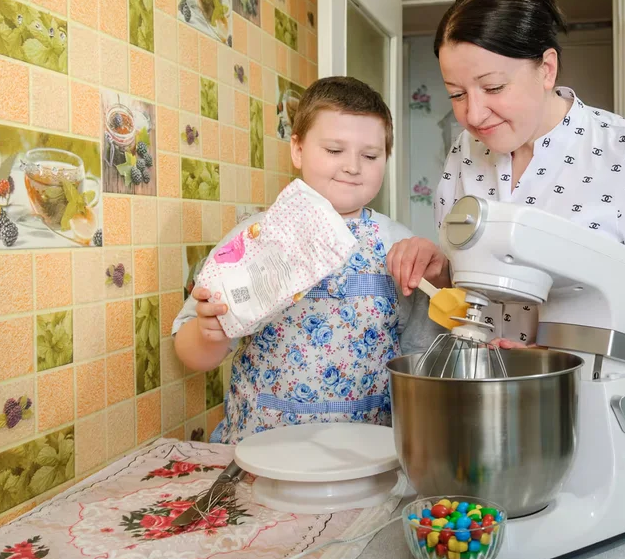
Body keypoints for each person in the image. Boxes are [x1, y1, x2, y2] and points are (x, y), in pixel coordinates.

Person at [386, 0, 625, 453]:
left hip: (602, 409)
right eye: (455, 93)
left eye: (492, 87)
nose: (473, 112)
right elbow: (470, 286)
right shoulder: (464, 154)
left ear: (546, 69)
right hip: (493, 402)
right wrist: (435, 265)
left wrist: (546, 357)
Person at [173, 76, 440, 446]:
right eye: (334, 150)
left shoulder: (398, 245)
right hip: (260, 450)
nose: (352, 166)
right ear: (297, 149)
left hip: (365, 455)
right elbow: (191, 353)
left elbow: (422, 357)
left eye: (370, 155)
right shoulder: (253, 239)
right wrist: (208, 334)